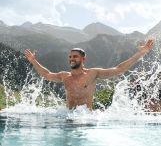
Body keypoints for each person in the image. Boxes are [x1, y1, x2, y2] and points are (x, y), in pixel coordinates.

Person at [24, 39, 154, 110]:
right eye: (70, 57)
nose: (71, 59)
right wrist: (33, 60)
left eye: (75, 56)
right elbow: (47, 74)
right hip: (68, 117)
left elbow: (118, 69)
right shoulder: (65, 76)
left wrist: (140, 53)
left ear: (83, 59)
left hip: (86, 119)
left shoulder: (92, 74)